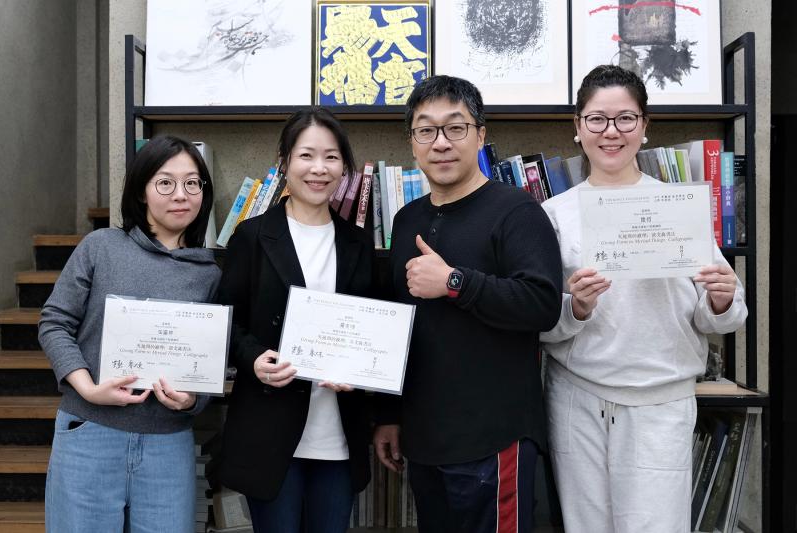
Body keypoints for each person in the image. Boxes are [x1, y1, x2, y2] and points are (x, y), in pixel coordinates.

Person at [540, 65, 748, 533]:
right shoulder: (554, 215)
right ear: (578, 127)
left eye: (625, 118)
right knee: (585, 525)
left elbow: (721, 316)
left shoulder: (678, 207)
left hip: (661, 399)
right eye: (597, 119)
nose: (611, 132)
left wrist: (721, 299)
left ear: (644, 125)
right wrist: (575, 307)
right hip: (577, 396)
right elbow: (538, 318)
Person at [373, 75, 563, 533]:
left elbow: (542, 304)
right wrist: (389, 416)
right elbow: (396, 325)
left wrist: (454, 281)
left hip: (493, 438)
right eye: (426, 130)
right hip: (424, 436)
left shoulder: (517, 210)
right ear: (412, 142)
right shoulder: (406, 219)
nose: (440, 142)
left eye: (455, 128)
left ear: (480, 135)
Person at [38, 135, 221, 532]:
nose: (181, 194)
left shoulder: (210, 273)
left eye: (192, 183)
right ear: (141, 191)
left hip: (168, 443)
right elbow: (54, 322)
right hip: (90, 432)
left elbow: (211, 361)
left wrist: (193, 399)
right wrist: (88, 389)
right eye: (165, 182)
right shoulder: (100, 247)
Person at [217, 108, 374, 533]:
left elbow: (373, 329)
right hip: (269, 431)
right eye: (306, 155)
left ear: (344, 168)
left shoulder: (358, 243)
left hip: (338, 435)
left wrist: (361, 369)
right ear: (284, 161)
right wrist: (254, 359)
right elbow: (226, 322)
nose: (319, 168)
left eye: (331, 157)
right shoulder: (252, 236)